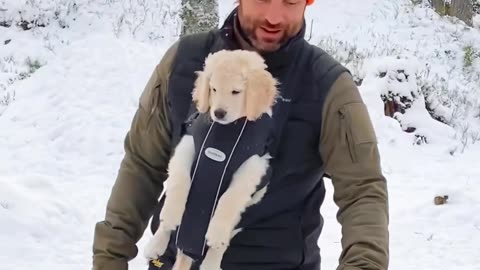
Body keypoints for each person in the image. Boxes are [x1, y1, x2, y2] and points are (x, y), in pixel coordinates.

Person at [92, 0, 390, 270]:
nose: (274, 16)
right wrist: (109, 258)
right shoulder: (185, 61)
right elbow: (142, 165)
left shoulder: (327, 84)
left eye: (290, 1)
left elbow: (362, 188)